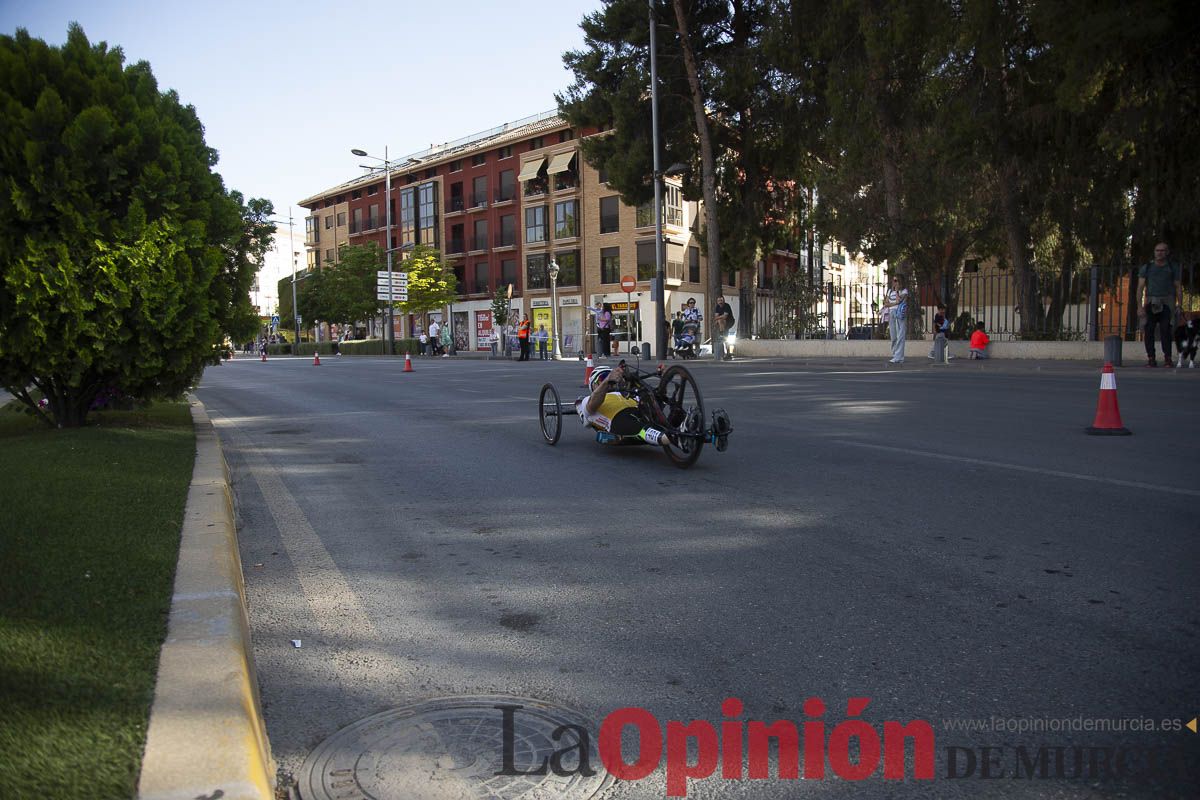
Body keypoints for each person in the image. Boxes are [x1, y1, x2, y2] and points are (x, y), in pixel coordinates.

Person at [575, 362, 669, 446]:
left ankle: (679, 426)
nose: (612, 380)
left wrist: (664, 380)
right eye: (602, 377)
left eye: (613, 376)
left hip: (641, 414)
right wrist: (607, 381)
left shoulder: (627, 393)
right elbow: (591, 408)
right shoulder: (587, 400)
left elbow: (654, 403)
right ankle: (667, 437)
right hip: (619, 420)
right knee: (640, 427)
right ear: (593, 385)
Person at [1137, 242, 1182, 367]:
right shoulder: (1147, 268)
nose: (1159, 253)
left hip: (1167, 302)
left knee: (1166, 330)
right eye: (1157, 250)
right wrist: (1139, 307)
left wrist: (1179, 304)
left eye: (1162, 250)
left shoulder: (1172, 267)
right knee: (1149, 330)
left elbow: (1178, 287)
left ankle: (1167, 358)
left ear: (1167, 252)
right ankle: (1151, 358)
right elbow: (1140, 288)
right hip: (1151, 302)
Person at [881, 275, 909, 364]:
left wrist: (897, 291)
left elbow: (899, 301)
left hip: (900, 313)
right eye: (893, 280)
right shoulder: (889, 291)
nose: (893, 282)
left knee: (900, 335)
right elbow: (886, 304)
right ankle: (895, 355)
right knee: (893, 336)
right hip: (891, 313)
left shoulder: (904, 291)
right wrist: (894, 304)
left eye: (896, 280)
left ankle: (899, 357)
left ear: (900, 282)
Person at [713, 295, 735, 361]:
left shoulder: (726, 306)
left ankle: (722, 334)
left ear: (724, 301)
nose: (720, 302)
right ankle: (727, 353)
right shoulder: (717, 307)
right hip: (722, 324)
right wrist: (718, 318)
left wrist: (718, 318)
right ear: (717, 302)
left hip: (729, 322)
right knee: (725, 338)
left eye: (721, 300)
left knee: (721, 320)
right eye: (719, 301)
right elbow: (716, 316)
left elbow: (725, 316)